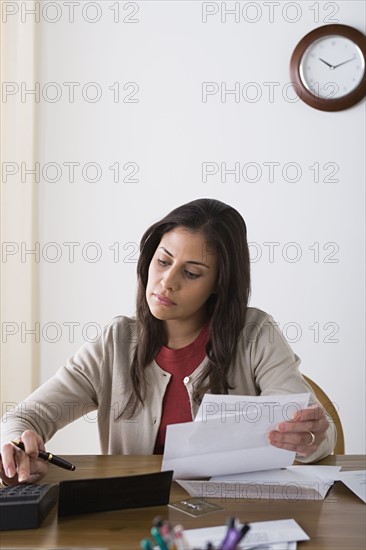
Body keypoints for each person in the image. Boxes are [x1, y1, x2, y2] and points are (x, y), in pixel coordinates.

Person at [0, 198, 335, 486]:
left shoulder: (256, 333)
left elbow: (309, 429)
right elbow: (25, 417)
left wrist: (309, 439)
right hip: (134, 519)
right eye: (162, 261)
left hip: (234, 517)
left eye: (191, 273)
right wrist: (15, 446)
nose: (166, 281)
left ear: (219, 284)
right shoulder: (115, 342)